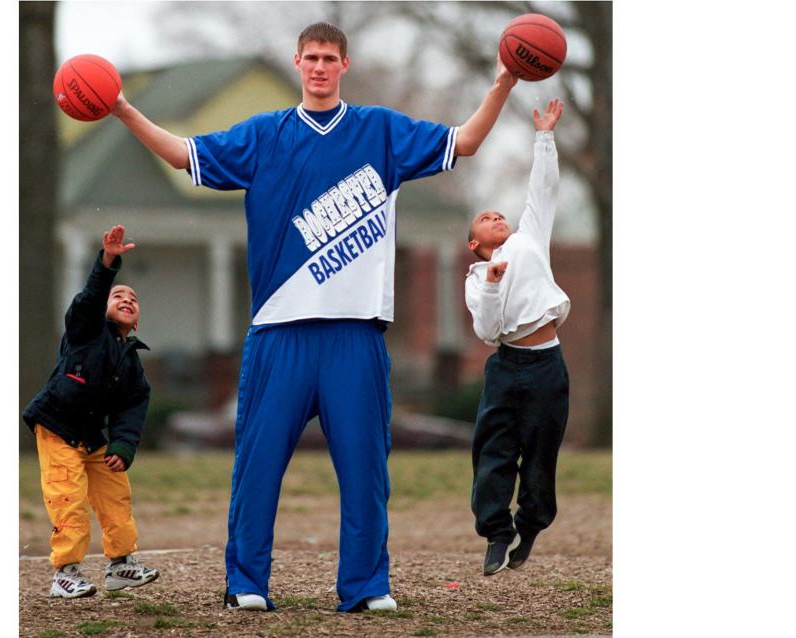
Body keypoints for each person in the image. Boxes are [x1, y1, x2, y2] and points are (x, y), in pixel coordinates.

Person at [111, 22, 517, 612]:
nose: (320, 67)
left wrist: (504, 81)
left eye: (330, 58)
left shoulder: (380, 131)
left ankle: (366, 588)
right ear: (297, 63)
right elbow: (183, 155)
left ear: (344, 65)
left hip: (356, 332)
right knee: (257, 469)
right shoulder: (264, 135)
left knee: (365, 475)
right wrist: (123, 108)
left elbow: (469, 141)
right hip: (280, 332)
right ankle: (246, 585)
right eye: (311, 58)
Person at [22, 224, 159, 598]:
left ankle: (121, 566)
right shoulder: (86, 330)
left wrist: (123, 446)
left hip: (92, 436)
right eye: (118, 295)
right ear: (103, 307)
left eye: (133, 298)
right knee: (69, 497)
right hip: (56, 425)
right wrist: (108, 263)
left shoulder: (132, 364)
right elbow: (89, 298)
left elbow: (133, 407)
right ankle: (65, 573)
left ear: (138, 321)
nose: (127, 299)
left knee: (117, 495)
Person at [463, 99, 570, 576]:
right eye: (485, 218)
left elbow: (542, 191)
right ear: (474, 243)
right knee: (493, 451)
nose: (495, 216)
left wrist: (544, 136)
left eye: (498, 214)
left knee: (541, 452)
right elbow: (486, 332)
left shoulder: (529, 239)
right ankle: (496, 533)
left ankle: (529, 525)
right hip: (507, 367)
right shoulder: (477, 277)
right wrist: (491, 282)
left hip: (547, 364)